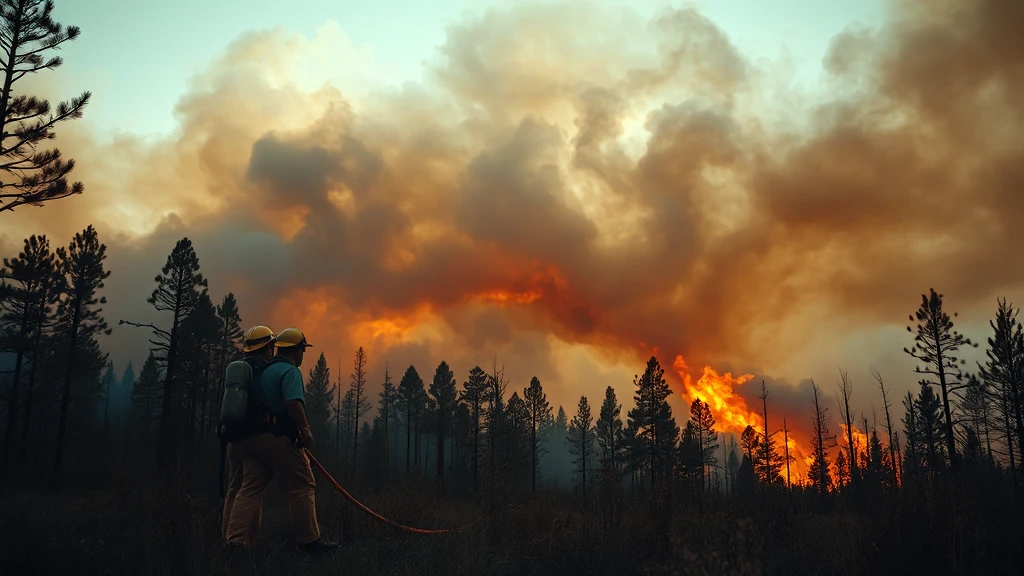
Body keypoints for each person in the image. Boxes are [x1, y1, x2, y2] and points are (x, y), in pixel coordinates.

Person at [225, 327, 339, 553]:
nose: (302, 356)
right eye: (302, 351)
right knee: (302, 485)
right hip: (275, 439)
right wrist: (305, 430)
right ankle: (310, 542)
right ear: (296, 351)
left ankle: (234, 542)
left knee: (249, 489)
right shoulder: (290, 372)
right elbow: (293, 403)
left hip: (249, 441)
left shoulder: (258, 371)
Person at [220, 325, 276, 543]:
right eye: (271, 345)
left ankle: (227, 535)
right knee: (252, 490)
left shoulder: (239, 369)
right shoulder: (263, 373)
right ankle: (241, 542)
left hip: (233, 438)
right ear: (267, 347)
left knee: (234, 488)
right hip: (252, 439)